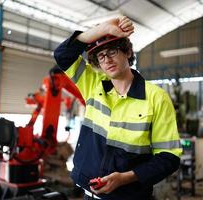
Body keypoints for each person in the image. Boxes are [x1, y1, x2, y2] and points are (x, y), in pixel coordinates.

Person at [54, 16, 182, 200]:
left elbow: (169, 158)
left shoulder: (156, 97)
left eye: (112, 51)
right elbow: (62, 55)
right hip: (88, 195)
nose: (107, 60)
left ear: (128, 52)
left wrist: (125, 178)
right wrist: (102, 28)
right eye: (101, 56)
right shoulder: (93, 85)